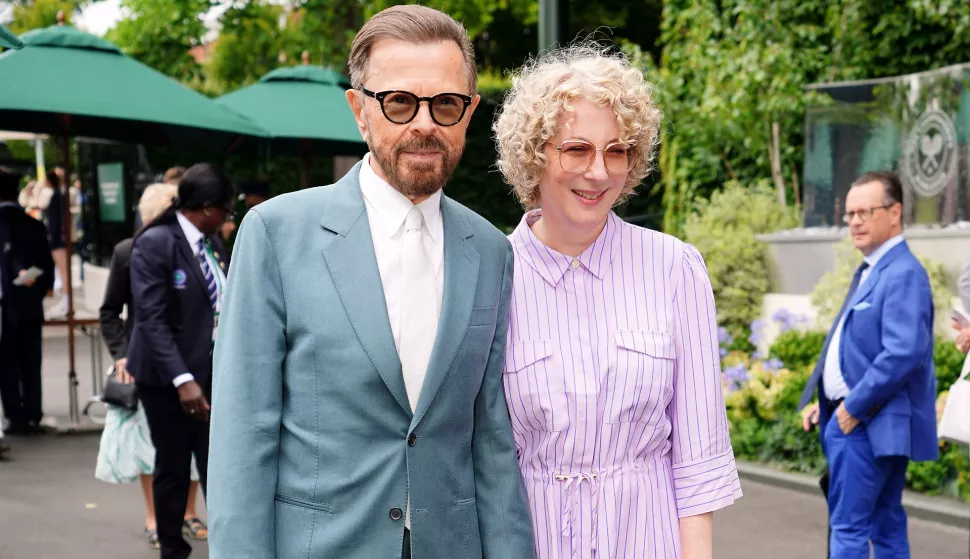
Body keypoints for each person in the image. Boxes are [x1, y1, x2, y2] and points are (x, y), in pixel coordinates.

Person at [207, 5, 534, 558]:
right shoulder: (275, 235)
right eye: (400, 102)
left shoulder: (492, 251)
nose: (424, 123)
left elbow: (492, 440)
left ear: (470, 112)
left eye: (446, 103)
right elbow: (243, 437)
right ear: (359, 110)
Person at [493, 44, 742, 559]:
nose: (600, 172)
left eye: (617, 150)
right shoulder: (490, 275)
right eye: (577, 149)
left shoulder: (675, 269)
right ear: (534, 155)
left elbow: (698, 462)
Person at [799, 170, 937, 558]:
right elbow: (857, 351)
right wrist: (825, 400)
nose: (855, 221)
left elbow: (903, 352)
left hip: (866, 425)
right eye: (850, 213)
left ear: (895, 213)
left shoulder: (902, 272)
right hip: (867, 424)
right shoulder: (877, 270)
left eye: (865, 212)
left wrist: (851, 408)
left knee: (849, 530)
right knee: (885, 526)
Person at [127, 163, 233, 559]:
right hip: (166, 378)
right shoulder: (156, 242)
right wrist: (183, 380)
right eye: (227, 210)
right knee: (172, 466)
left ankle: (229, 546)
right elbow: (150, 320)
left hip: (210, 374)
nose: (228, 220)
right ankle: (172, 548)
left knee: (217, 465)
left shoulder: (213, 246)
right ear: (207, 207)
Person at [96, 182, 206, 550]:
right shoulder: (130, 250)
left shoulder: (201, 249)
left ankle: (188, 512)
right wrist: (123, 353)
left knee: (190, 451)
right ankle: (155, 517)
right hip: (150, 368)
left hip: (193, 363)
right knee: (156, 450)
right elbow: (111, 311)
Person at [0, 166, 55, 437]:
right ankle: (33, 412)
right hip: (30, 305)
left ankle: (14, 415)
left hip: (4, 307)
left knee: (6, 364)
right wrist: (37, 288)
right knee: (31, 362)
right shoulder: (33, 225)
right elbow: (48, 268)